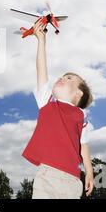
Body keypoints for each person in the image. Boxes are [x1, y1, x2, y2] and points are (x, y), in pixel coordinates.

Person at [22, 19, 94, 199]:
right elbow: (41, 70)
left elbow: (83, 147)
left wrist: (90, 172)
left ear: (78, 94)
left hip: (72, 181)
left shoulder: (81, 116)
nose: (62, 77)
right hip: (47, 176)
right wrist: (41, 42)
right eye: (62, 76)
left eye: (69, 78)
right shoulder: (47, 102)